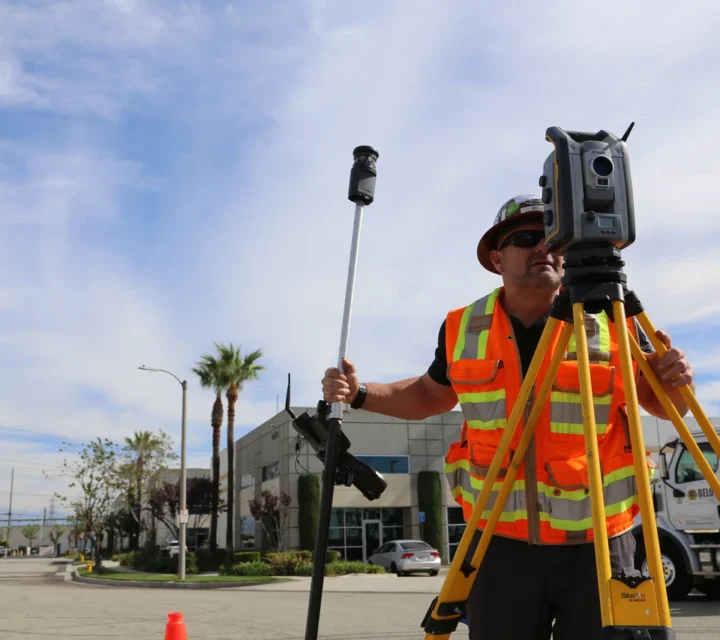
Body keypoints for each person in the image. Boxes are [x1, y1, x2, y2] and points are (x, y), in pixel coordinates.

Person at [321, 193, 696, 640]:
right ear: (498, 259)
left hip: (603, 544)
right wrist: (361, 393)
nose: (544, 247)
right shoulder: (464, 326)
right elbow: (428, 395)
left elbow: (665, 408)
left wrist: (675, 382)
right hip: (501, 544)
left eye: (554, 237)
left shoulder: (614, 316)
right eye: (526, 238)